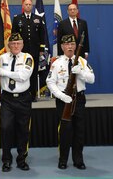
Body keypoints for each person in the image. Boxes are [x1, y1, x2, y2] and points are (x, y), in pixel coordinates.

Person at [46, 34, 94, 170]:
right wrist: (61, 96)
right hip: (64, 100)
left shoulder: (82, 62)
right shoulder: (56, 63)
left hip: (79, 99)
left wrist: (81, 73)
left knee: (79, 131)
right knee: (65, 131)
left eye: (72, 44)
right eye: (67, 45)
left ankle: (78, 160)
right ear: (62, 47)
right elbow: (50, 82)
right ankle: (63, 160)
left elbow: (92, 79)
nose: (70, 47)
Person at [0, 32, 34, 172]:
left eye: (18, 43)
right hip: (7, 99)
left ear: (22, 45)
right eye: (13, 43)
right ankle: (6, 159)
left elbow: (23, 76)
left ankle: (22, 159)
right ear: (9, 45)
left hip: (23, 99)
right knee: (5, 128)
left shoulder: (28, 58)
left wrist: (4, 72)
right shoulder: (1, 58)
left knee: (23, 130)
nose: (16, 46)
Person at [11, 0, 45, 101]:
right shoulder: (17, 19)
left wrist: (41, 49)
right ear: (23, 6)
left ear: (32, 6)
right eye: (26, 4)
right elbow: (14, 35)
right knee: (22, 72)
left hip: (34, 50)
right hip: (22, 52)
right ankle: (23, 94)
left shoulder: (38, 18)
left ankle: (32, 95)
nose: (28, 6)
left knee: (33, 73)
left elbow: (42, 35)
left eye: (30, 4)